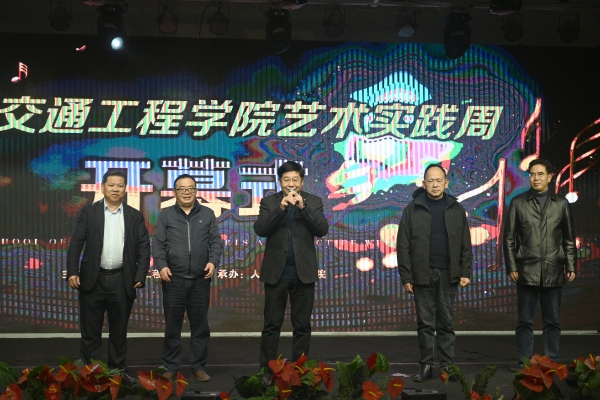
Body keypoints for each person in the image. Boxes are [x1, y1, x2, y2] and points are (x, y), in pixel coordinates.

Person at [66, 170, 150, 374]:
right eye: (111, 185)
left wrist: (140, 275)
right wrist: (72, 271)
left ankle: (117, 372)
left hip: (122, 279)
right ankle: (91, 372)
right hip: (92, 279)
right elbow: (76, 243)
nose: (115, 189)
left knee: (119, 331)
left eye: (120, 185)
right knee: (90, 331)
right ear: (102, 187)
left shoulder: (134, 215)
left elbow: (144, 247)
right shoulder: (89, 212)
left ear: (125, 189)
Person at [396, 164, 473, 382]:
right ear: (424, 183)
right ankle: (427, 366)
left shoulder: (456, 209)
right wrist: (406, 276)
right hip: (422, 274)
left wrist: (465, 271)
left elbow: (465, 243)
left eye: (439, 180)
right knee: (425, 324)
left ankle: (447, 366)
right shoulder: (412, 209)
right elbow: (403, 245)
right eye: (430, 180)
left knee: (446, 323)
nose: (435, 184)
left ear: (446, 183)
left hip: (449, 273)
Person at [254, 161, 329, 373]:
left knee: (302, 326)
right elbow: (261, 229)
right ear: (280, 182)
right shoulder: (270, 202)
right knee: (271, 326)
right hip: (276, 274)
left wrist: (302, 208)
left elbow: (321, 229)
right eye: (286, 179)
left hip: (303, 273)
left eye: (295, 179)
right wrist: (280, 209)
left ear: (302, 181)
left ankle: (300, 372)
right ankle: (266, 371)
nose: (291, 183)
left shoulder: (313, 201)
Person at [503, 158, 576, 367]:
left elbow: (569, 238)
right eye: (532, 174)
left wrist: (571, 265)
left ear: (550, 177)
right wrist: (512, 266)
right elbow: (508, 239)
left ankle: (552, 362)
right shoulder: (518, 203)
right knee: (525, 321)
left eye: (540, 174)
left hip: (554, 269)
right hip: (526, 270)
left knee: (552, 321)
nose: (536, 178)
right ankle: (524, 364)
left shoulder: (561, 204)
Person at [152, 174, 223, 382]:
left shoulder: (207, 214)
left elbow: (216, 241)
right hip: (173, 279)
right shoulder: (165, 215)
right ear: (175, 192)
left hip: (200, 280)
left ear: (196, 191)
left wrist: (213, 261)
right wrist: (162, 265)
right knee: (172, 327)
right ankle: (171, 367)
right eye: (181, 188)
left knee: (200, 327)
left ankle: (198, 367)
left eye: (190, 188)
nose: (186, 192)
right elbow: (158, 243)